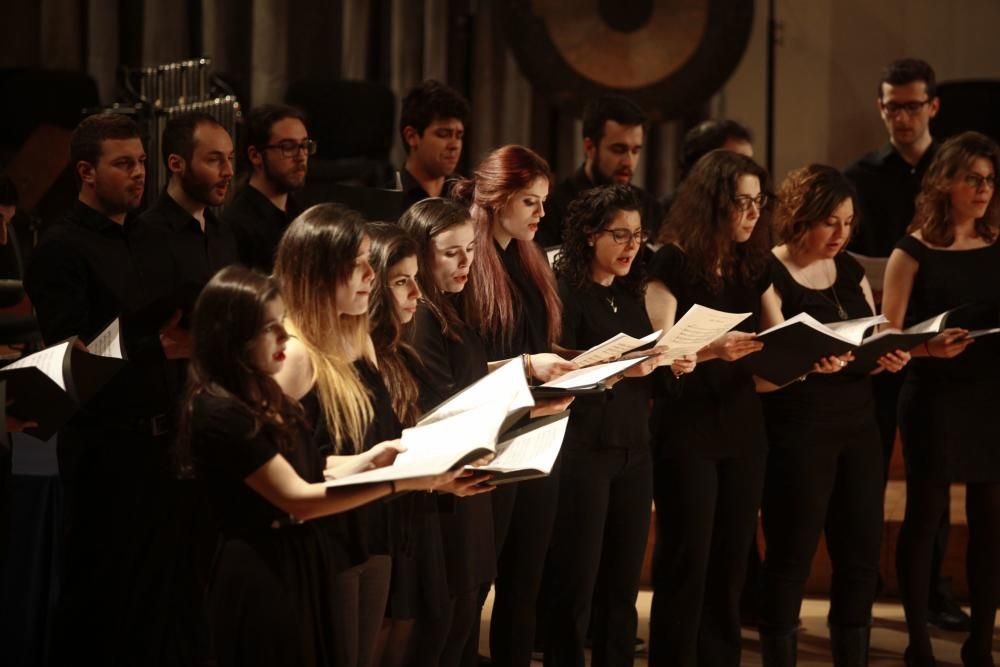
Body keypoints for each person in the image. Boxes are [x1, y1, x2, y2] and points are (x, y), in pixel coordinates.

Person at [181, 265, 456, 667]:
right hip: (258, 571)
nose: (283, 337)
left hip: (296, 560)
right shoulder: (219, 410)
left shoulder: (263, 398)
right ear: (232, 336)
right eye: (268, 328)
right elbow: (298, 498)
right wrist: (404, 481)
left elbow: (309, 473)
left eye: (282, 323)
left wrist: (370, 459)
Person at [23, 112, 190, 664]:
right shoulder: (59, 248)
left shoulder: (155, 235)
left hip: (168, 442)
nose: (139, 173)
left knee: (162, 599)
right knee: (99, 596)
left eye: (142, 162)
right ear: (86, 172)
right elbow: (63, 364)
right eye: (124, 164)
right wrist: (151, 345)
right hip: (104, 447)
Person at [272, 203, 460, 666]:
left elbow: (378, 443)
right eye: (355, 265)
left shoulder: (359, 342)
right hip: (322, 541)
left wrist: (434, 469)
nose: (369, 276)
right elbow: (288, 472)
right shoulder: (294, 355)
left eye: (366, 263)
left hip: (372, 530)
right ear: (316, 272)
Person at [757, 165, 910, 667]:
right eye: (830, 222)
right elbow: (770, 360)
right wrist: (809, 364)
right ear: (801, 218)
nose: (842, 235)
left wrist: (887, 354)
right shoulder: (771, 269)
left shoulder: (849, 269)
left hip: (859, 424)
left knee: (861, 553)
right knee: (792, 553)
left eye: (848, 223)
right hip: (801, 427)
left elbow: (873, 332)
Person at [543, 184, 693, 667]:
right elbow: (558, 369)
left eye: (638, 236)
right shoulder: (565, 293)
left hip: (633, 450)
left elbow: (647, 369)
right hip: (583, 450)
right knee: (576, 584)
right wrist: (618, 370)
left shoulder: (630, 293)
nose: (632, 246)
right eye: (620, 235)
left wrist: (672, 364)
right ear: (589, 236)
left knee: (623, 588)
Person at [845, 58, 968, 632]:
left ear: (933, 107)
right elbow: (846, 257)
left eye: (912, 106)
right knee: (865, 472)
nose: (902, 116)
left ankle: (935, 590)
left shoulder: (958, 170)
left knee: (933, 476)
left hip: (939, 343)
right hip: (879, 333)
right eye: (892, 106)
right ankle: (862, 580)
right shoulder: (863, 175)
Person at [453, 145, 576, 667]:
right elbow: (462, 371)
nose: (541, 214)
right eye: (530, 201)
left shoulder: (528, 259)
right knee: (477, 582)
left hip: (537, 429)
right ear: (497, 198)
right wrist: (531, 367)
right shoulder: (465, 263)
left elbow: (538, 345)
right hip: (489, 437)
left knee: (526, 579)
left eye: (543, 201)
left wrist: (596, 362)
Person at [881, 131, 1000, 667]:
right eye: (973, 178)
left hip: (991, 395)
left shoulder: (999, 242)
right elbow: (888, 335)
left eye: (990, 180)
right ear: (946, 181)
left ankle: (981, 639)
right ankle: (919, 643)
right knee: (926, 516)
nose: (983, 189)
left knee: (991, 517)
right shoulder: (912, 250)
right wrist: (928, 349)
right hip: (933, 395)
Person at [365, 221, 490, 666]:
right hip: (377, 518)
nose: (417, 293)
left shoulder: (392, 349)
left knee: (422, 628)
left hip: (410, 506)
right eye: (402, 282)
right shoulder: (364, 355)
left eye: (415, 280)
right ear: (369, 281)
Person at [398, 197, 499, 666]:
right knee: (441, 632)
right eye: (451, 252)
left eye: (471, 249)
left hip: (467, 480)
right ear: (420, 254)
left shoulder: (450, 309)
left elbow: (469, 381)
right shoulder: (420, 317)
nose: (466, 262)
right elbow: (438, 410)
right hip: (443, 490)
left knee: (460, 626)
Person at [537, 95, 663, 248]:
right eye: (618, 149)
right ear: (589, 147)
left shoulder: (650, 208)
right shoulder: (552, 207)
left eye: (635, 151)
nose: (628, 162)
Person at [223, 104, 312, 273]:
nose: (301, 157)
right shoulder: (236, 226)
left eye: (304, 145)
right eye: (288, 147)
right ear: (255, 156)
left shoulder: (301, 213)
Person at [396, 80, 470, 208]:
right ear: (412, 136)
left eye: (459, 136)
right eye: (443, 134)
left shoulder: (466, 198)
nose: (455, 145)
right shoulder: (385, 199)